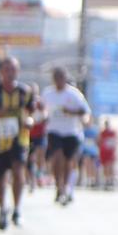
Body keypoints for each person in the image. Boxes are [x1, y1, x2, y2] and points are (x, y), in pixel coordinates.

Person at [0, 56, 36, 229]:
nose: (10, 73)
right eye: (6, 69)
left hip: (19, 139)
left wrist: (30, 120)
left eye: (13, 69)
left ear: (18, 71)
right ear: (1, 72)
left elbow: (33, 112)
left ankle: (17, 208)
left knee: (18, 169)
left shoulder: (25, 92)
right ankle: (2, 208)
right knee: (0, 178)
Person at [42, 67, 91, 204]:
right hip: (54, 130)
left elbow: (85, 111)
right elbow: (42, 109)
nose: (58, 81)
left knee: (68, 161)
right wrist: (42, 116)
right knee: (57, 157)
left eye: (61, 78)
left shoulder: (73, 94)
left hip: (71, 132)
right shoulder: (48, 93)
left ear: (65, 78)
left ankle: (66, 185)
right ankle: (59, 186)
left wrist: (72, 112)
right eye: (56, 78)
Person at [100, 118, 117, 189]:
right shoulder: (102, 132)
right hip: (104, 152)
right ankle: (107, 181)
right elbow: (100, 141)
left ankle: (111, 180)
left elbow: (115, 141)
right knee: (105, 167)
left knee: (110, 166)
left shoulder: (113, 132)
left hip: (110, 153)